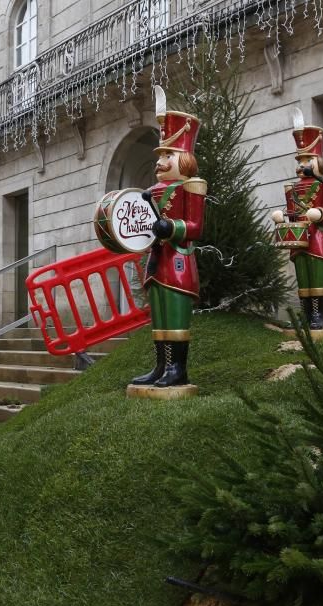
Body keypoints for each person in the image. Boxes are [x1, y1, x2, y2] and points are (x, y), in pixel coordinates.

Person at [130, 86, 207, 390]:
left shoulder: (192, 186)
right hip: (156, 260)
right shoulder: (155, 190)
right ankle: (161, 366)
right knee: (159, 317)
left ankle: (178, 369)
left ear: (185, 157)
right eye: (161, 155)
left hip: (177, 260)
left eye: (168, 155)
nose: (161, 162)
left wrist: (171, 228)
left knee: (175, 316)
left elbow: (196, 227)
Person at [271, 111, 323, 330]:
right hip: (298, 239)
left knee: (316, 279)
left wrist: (321, 213)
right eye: (300, 160)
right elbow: (292, 212)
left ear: (318, 160)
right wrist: (282, 216)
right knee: (303, 280)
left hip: (317, 238)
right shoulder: (293, 188)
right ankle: (306, 315)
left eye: (307, 159)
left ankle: (318, 316)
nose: (302, 164)